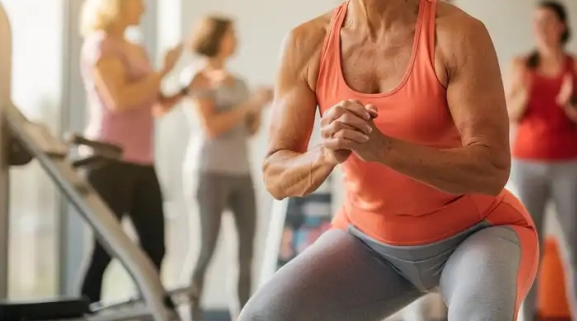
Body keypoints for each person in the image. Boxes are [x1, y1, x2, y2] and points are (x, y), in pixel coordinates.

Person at [241, 0, 539, 320]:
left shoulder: (457, 33)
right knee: (262, 316)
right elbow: (276, 174)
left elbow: (492, 169)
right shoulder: (308, 42)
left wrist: (384, 149)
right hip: (368, 243)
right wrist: (326, 152)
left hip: (477, 233)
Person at [77, 0, 185, 304]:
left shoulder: (137, 48)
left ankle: (144, 311)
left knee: (155, 249)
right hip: (108, 161)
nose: (143, 9)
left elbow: (156, 105)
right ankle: (82, 312)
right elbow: (119, 100)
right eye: (138, 3)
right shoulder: (100, 45)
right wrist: (164, 70)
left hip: (141, 160)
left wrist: (186, 89)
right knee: (105, 250)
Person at [178, 15, 273, 321]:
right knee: (205, 250)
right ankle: (189, 315)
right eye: (231, 34)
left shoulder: (239, 82)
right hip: (208, 172)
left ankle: (243, 315)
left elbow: (248, 130)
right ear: (216, 38)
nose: (236, 39)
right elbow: (212, 127)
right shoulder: (197, 78)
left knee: (245, 255)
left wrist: (258, 107)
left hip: (241, 173)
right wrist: (248, 105)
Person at [505, 2, 577, 321]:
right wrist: (525, 92)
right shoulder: (520, 65)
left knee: (574, 247)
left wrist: (570, 102)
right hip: (527, 164)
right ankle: (527, 318)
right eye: (536, 22)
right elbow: (510, 114)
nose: (540, 27)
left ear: (561, 26)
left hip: (570, 164)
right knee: (531, 248)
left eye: (547, 21)